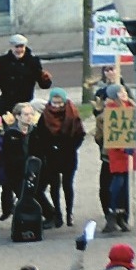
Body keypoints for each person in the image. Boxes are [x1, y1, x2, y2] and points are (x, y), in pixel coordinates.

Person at [36, 88, 85, 228]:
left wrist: (71, 147)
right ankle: (57, 213)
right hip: (51, 155)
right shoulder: (45, 115)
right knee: (54, 185)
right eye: (54, 102)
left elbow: (80, 134)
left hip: (68, 154)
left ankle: (69, 213)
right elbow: (41, 135)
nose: (57, 105)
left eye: (59, 102)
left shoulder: (72, 114)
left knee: (68, 185)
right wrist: (49, 148)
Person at [0, 34, 53, 116]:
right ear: (11, 47)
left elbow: (43, 85)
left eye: (22, 47)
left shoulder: (32, 61)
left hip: (26, 104)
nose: (19, 50)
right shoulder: (3, 61)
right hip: (7, 105)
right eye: (17, 47)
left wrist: (45, 79)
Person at [0, 102, 46, 222]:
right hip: (16, 173)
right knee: (23, 197)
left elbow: (40, 152)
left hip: (34, 170)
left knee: (36, 194)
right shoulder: (11, 133)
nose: (29, 117)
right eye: (26, 114)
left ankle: (49, 215)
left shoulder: (35, 132)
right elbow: (8, 156)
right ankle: (25, 219)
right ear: (18, 116)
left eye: (31, 114)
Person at [102, 85, 135, 233]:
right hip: (118, 153)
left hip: (130, 152)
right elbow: (114, 133)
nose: (125, 94)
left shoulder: (130, 106)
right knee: (118, 182)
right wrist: (123, 147)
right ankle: (113, 211)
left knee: (126, 185)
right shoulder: (111, 110)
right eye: (121, 92)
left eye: (125, 91)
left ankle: (123, 215)